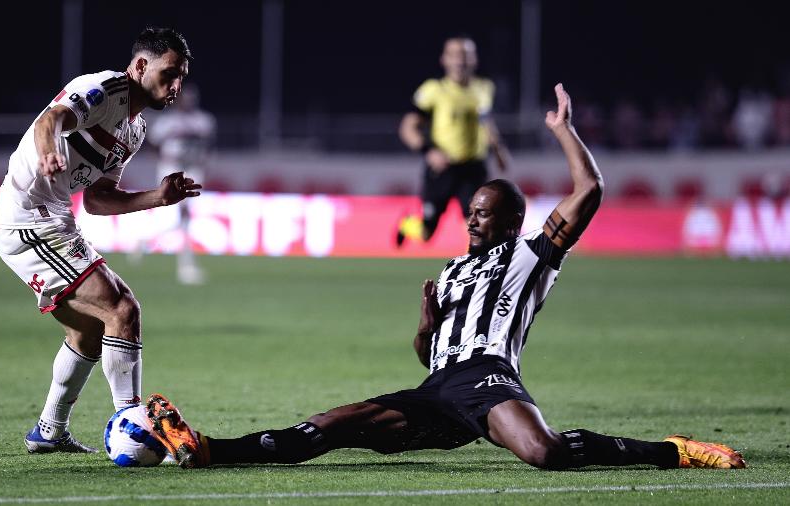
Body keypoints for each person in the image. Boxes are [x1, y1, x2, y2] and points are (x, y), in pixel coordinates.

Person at [144, 84, 746, 471]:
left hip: (487, 377)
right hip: (440, 389)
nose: (473, 221)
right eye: (472, 213)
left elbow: (589, 191)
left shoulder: (532, 255)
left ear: (511, 219)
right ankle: (205, 448)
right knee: (328, 428)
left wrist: (562, 130)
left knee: (546, 452)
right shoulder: (454, 270)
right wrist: (427, 323)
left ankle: (675, 451)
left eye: (485, 214)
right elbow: (426, 352)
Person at [0, 27, 200, 453]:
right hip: (28, 219)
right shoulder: (102, 89)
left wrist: (157, 196)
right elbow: (52, 119)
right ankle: (134, 425)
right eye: (170, 72)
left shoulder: (135, 130)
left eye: (181, 76)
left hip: (56, 220)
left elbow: (99, 200)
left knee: (89, 329)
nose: (176, 85)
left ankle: (49, 431)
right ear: (141, 65)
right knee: (123, 309)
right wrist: (50, 150)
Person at [396, 35, 512, 247]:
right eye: (455, 54)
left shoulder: (484, 88)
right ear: (444, 59)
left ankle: (476, 275)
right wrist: (429, 152)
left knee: (477, 226)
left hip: (473, 167)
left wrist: (499, 151)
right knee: (425, 233)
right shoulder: (433, 90)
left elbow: (487, 123)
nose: (461, 60)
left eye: (466, 55)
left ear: (475, 60)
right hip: (443, 168)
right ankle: (406, 225)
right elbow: (407, 128)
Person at [139, 83, 216, 284]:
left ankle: (145, 241)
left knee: (183, 219)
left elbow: (207, 146)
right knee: (184, 217)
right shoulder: (168, 122)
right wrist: (165, 164)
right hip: (173, 171)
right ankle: (186, 267)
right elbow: (153, 145)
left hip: (193, 170)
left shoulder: (203, 121)